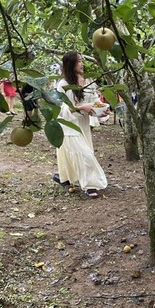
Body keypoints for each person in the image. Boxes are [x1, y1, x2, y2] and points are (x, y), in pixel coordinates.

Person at [52, 51, 107, 198]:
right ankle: (90, 186)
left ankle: (65, 177)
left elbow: (94, 100)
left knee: (83, 152)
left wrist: (100, 111)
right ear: (70, 64)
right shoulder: (63, 85)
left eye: (82, 61)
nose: (82, 64)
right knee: (84, 154)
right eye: (78, 61)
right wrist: (83, 107)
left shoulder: (88, 81)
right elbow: (63, 108)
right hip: (69, 126)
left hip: (83, 124)